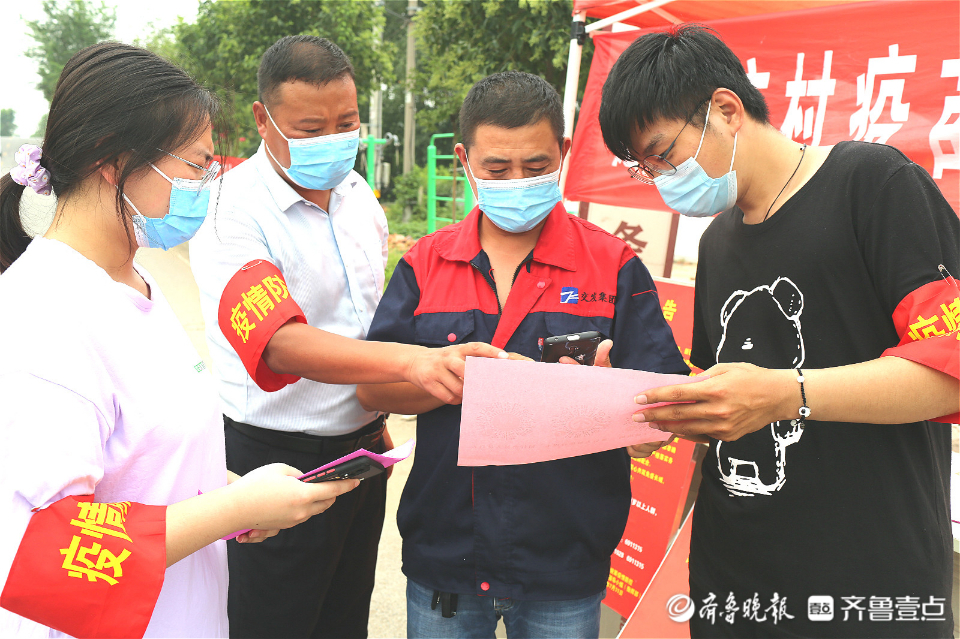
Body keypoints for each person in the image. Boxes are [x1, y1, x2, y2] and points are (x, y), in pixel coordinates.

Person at [598, 24, 959, 639]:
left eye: (662, 153)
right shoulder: (718, 242)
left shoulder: (872, 185)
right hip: (733, 581)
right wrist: (648, 414)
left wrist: (789, 394)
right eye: (643, 167)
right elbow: (726, 398)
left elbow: (950, 375)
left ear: (726, 109)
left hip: (865, 583)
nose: (659, 178)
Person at [0, 42, 359, 639]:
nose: (207, 186)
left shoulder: (135, 280)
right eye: (195, 167)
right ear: (111, 162)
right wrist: (234, 509)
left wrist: (231, 494)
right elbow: (46, 546)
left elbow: (143, 461)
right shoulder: (43, 313)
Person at [188, 36, 505, 639]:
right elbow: (280, 342)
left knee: (343, 614)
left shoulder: (360, 198)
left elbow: (365, 323)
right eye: (309, 128)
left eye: (346, 122)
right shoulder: (229, 209)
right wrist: (411, 364)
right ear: (264, 118)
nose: (332, 139)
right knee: (273, 620)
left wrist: (382, 395)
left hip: (361, 451)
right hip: (270, 458)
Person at [355, 71, 689, 639]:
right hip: (447, 551)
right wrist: (452, 378)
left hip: (564, 558)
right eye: (497, 169)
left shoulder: (612, 266)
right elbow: (372, 389)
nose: (517, 182)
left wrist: (614, 403)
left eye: (535, 168)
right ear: (465, 159)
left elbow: (667, 412)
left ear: (562, 153)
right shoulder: (425, 265)